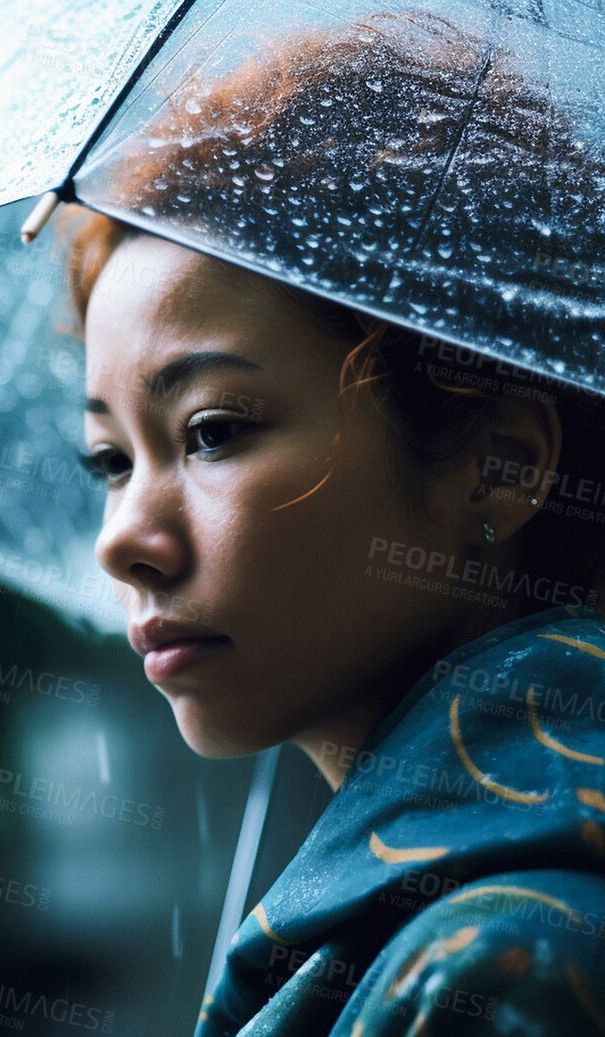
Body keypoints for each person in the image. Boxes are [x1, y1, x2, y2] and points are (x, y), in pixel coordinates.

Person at [59, 9, 605, 1035]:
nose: (123, 538)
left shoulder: (500, 967)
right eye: (110, 459)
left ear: (501, 465)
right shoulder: (396, 927)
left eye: (212, 430)